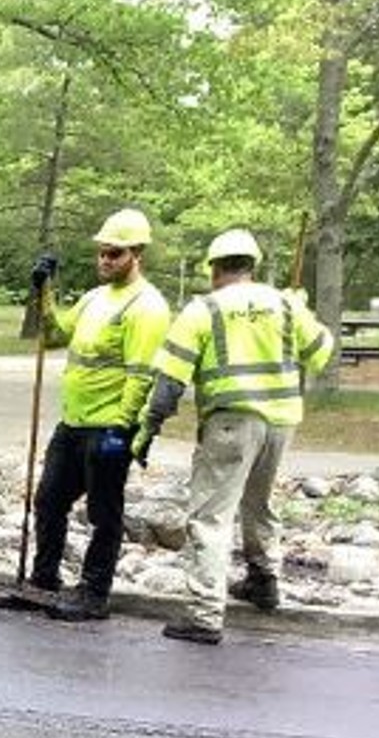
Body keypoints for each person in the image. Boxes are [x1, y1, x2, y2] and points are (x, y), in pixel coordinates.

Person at [133, 229, 334, 644]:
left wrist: (149, 429)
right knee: (259, 503)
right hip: (281, 423)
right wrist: (302, 308)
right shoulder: (284, 303)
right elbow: (322, 352)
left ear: (213, 267)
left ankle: (205, 615)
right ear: (252, 266)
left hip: (231, 424)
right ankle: (264, 581)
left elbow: (170, 381)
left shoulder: (203, 309)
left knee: (210, 515)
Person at [0, 208, 170, 621]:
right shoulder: (94, 298)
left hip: (109, 426)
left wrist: (122, 425)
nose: (105, 260)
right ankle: (44, 580)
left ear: (136, 254)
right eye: (102, 253)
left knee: (103, 512)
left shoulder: (147, 306)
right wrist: (44, 290)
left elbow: (141, 373)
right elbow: (54, 335)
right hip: (73, 423)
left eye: (115, 254)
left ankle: (95, 592)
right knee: (48, 500)